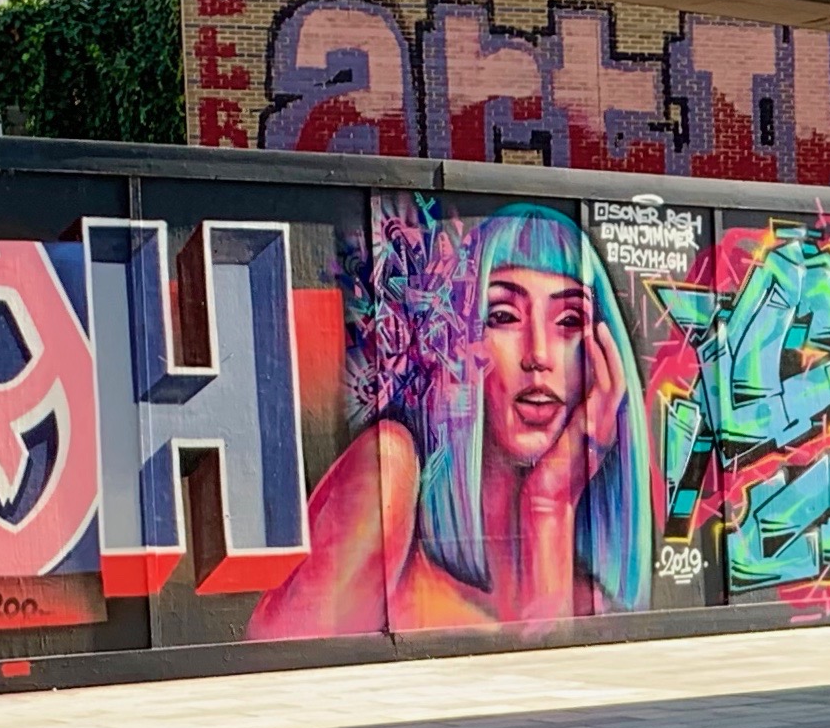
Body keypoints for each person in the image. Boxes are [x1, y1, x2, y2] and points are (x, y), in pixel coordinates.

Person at [249, 202, 652, 637]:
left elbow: (553, 675)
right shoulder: (388, 472)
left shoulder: (591, 600)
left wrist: (549, 502)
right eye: (503, 316)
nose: (538, 354)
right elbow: (282, 666)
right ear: (459, 342)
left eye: (569, 320)